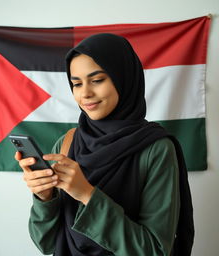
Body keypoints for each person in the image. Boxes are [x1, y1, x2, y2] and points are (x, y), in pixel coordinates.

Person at [15, 33, 194, 256]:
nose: (85, 93)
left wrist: (87, 194)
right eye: (76, 83)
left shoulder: (156, 149)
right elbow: (47, 244)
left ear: (123, 78)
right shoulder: (67, 143)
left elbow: (155, 251)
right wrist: (45, 198)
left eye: (97, 80)